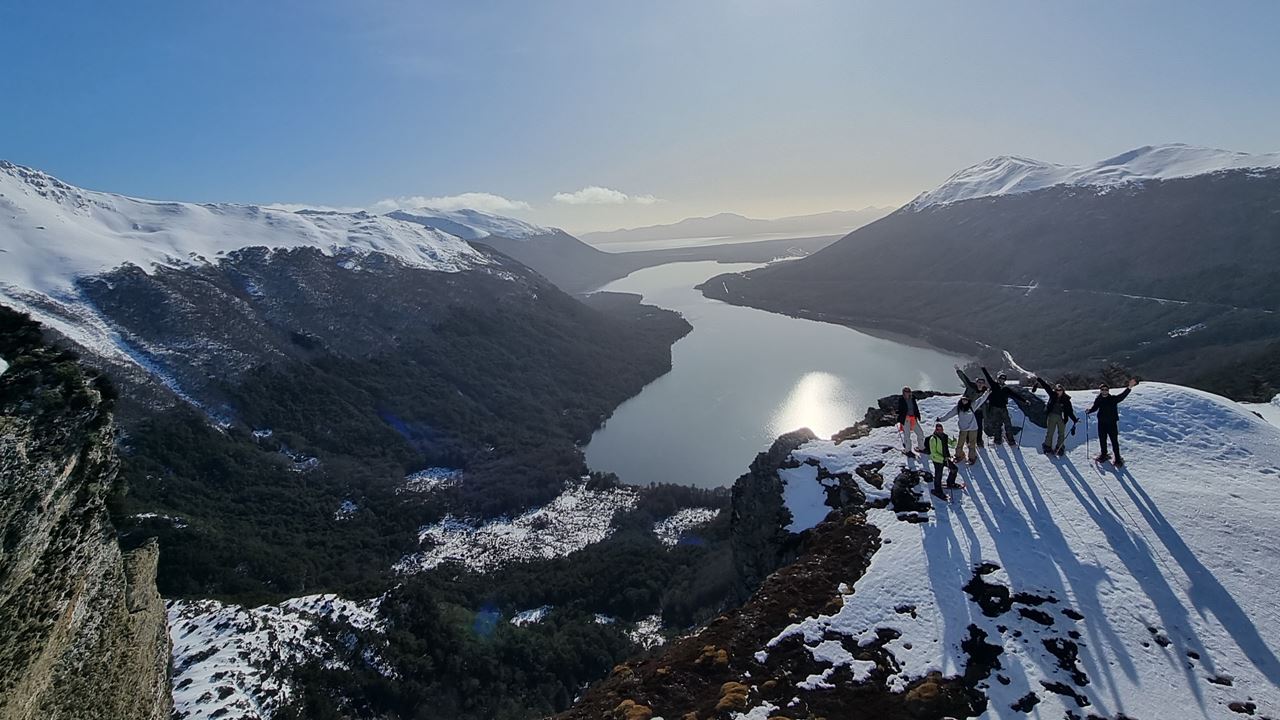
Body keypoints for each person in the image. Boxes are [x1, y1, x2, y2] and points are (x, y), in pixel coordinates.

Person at [1086, 377, 1138, 466]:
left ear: (1108, 391)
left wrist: (1129, 387)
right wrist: (1089, 410)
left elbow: (1122, 396)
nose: (1104, 391)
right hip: (1101, 423)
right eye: (1102, 390)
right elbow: (1095, 407)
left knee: (1114, 441)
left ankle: (1117, 458)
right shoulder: (1099, 399)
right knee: (1102, 439)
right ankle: (1104, 454)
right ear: (1100, 390)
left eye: (1106, 390)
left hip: (1112, 423)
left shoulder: (1113, 399)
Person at [937, 387, 990, 464]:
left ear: (968, 401)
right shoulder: (958, 408)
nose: (964, 401)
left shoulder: (972, 406)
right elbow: (949, 414)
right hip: (963, 428)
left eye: (966, 400)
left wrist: (987, 393)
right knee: (960, 443)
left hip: (973, 428)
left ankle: (972, 457)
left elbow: (981, 399)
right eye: (963, 399)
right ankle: (959, 455)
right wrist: (941, 419)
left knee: (972, 443)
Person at [1032, 376, 1078, 456]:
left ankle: (1059, 447)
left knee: (1061, 433)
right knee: (1050, 432)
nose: (1058, 391)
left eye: (1060, 390)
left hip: (1062, 417)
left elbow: (1069, 411)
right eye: (1057, 390)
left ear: (1063, 390)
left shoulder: (1066, 399)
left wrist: (1074, 419)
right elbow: (1046, 387)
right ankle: (1048, 446)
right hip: (1052, 415)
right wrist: (1039, 380)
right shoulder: (1053, 394)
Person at [981, 367, 1018, 445]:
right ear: (998, 379)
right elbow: (988, 378)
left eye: (1004, 379)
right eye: (1001, 379)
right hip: (994, 408)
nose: (1002, 380)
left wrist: (1025, 401)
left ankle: (1010, 439)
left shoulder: (1006, 388)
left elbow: (1015, 395)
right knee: (997, 423)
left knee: (1008, 423)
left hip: (1003, 408)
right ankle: (997, 439)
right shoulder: (994, 385)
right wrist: (984, 369)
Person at [926, 422, 962, 500]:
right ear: (935, 430)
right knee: (938, 475)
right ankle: (937, 491)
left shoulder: (944, 436)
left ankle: (950, 482)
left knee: (954, 469)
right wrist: (942, 458)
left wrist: (954, 441)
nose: (940, 431)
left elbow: (951, 444)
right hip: (937, 460)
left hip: (945, 458)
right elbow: (933, 453)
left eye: (941, 429)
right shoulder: (933, 439)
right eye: (938, 429)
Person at [954, 366, 988, 447]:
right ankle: (968, 440)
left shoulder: (985, 392)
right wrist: (958, 371)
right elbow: (964, 379)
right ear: (976, 383)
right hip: (969, 410)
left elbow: (985, 403)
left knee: (979, 426)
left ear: (984, 384)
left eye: (982, 383)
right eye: (978, 382)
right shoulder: (971, 386)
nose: (980, 384)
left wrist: (985, 415)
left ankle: (979, 440)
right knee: (968, 425)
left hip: (978, 411)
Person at [896, 386, 926, 456]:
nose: (908, 393)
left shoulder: (912, 399)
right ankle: (908, 450)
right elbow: (900, 409)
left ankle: (921, 447)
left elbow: (915, 408)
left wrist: (918, 415)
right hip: (906, 419)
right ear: (903, 393)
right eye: (906, 391)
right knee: (907, 435)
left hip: (913, 418)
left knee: (920, 433)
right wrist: (898, 414)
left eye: (909, 391)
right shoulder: (901, 400)